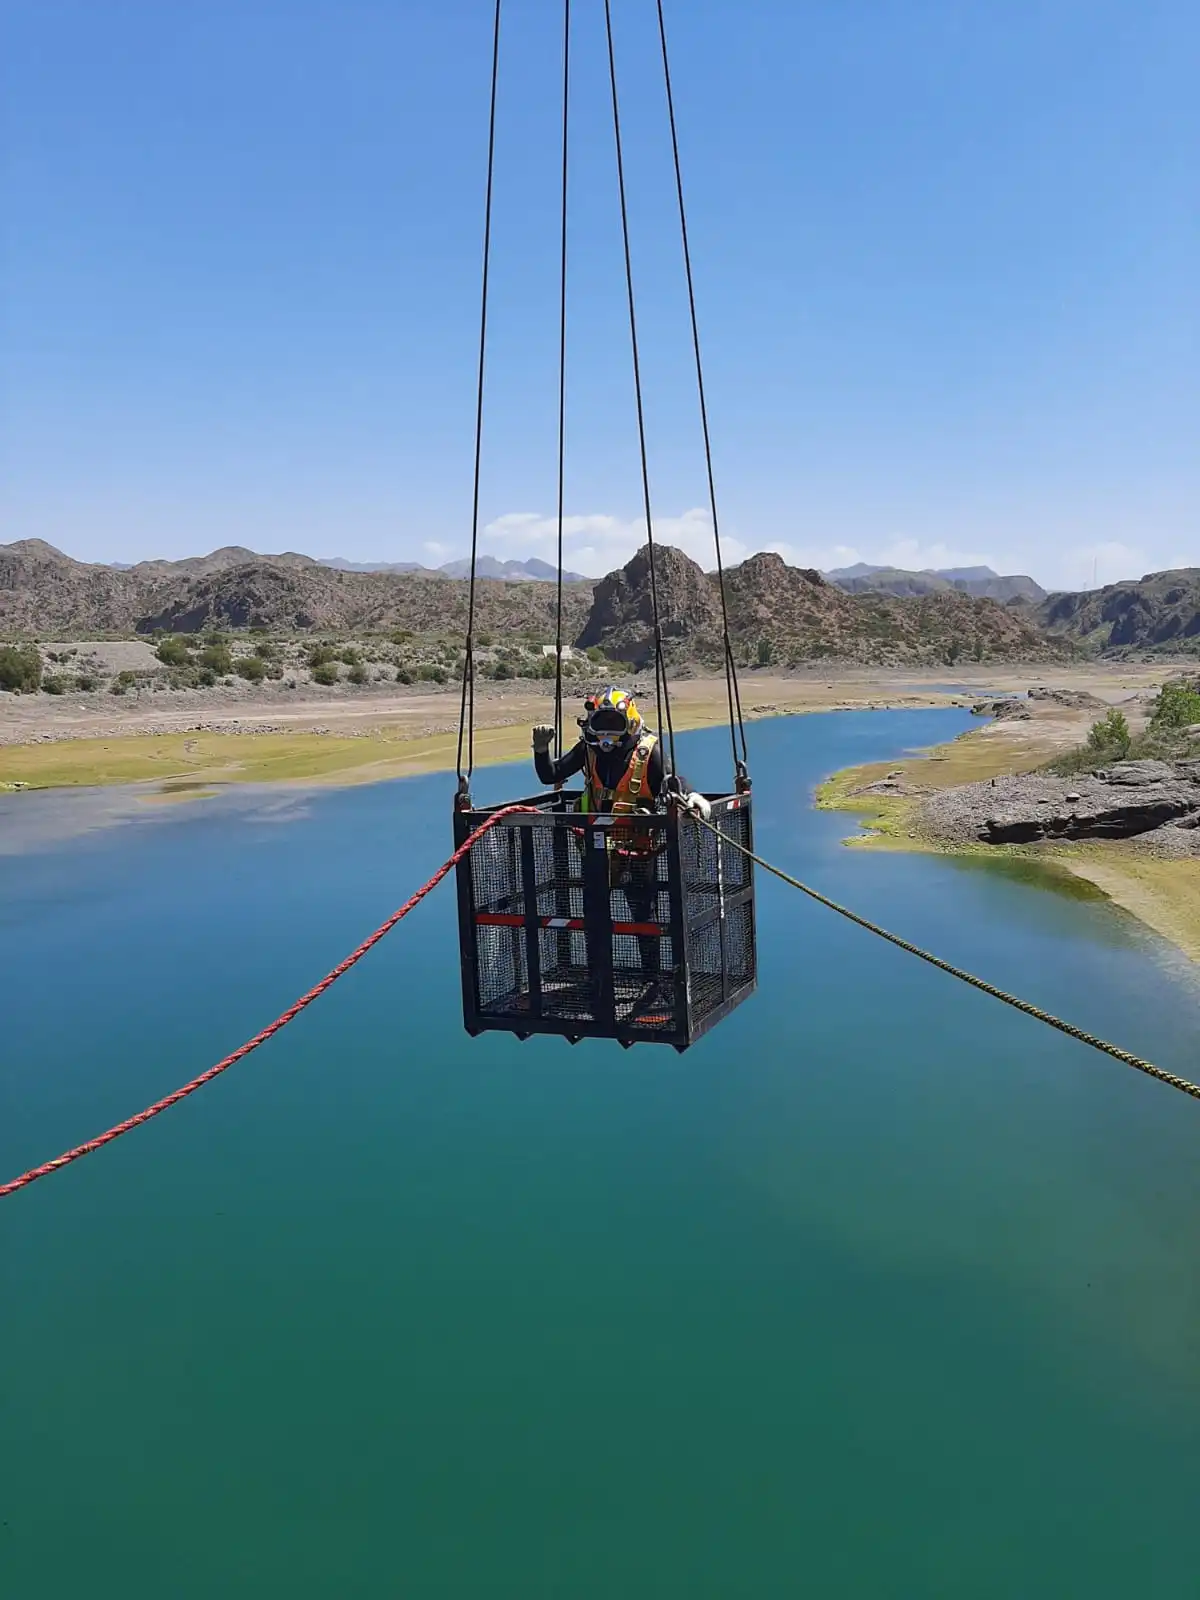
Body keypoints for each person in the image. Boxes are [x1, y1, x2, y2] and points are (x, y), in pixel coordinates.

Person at [532, 687, 709, 986]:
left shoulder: (647, 751)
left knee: (643, 914)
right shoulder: (587, 751)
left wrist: (691, 796)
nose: (606, 736)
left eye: (613, 724)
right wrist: (540, 750)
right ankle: (597, 978)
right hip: (596, 848)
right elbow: (552, 774)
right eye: (601, 724)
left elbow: (671, 780)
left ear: (629, 722)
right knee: (594, 914)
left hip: (638, 849)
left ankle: (650, 980)